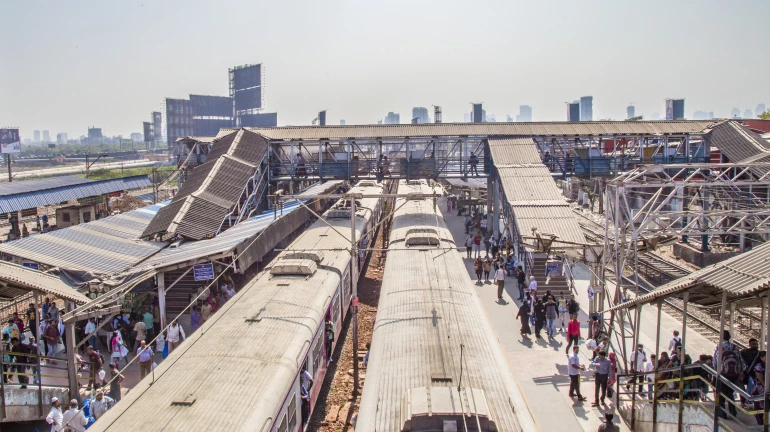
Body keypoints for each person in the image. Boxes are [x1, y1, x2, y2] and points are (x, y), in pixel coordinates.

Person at [713, 330, 745, 419]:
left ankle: (722, 413)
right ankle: (733, 412)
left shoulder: (719, 347)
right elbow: (740, 361)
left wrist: (715, 373)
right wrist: (739, 372)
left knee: (721, 393)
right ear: (729, 337)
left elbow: (715, 362)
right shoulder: (735, 347)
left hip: (722, 374)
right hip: (733, 375)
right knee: (730, 393)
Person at [750, 351, 766, 425]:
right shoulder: (759, 366)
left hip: (766, 388)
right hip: (760, 388)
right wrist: (766, 387)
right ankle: (761, 424)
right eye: (765, 357)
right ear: (761, 358)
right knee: (759, 408)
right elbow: (760, 379)